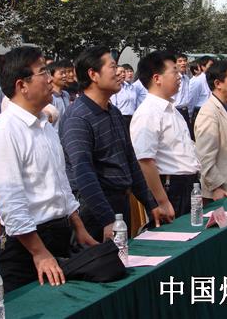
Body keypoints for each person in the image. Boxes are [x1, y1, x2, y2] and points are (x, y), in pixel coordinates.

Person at [0, 47, 97, 292]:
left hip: (59, 235)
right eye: (43, 72)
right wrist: (40, 253)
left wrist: (78, 225)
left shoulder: (44, 126)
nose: (50, 79)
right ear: (22, 85)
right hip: (26, 246)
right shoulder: (5, 131)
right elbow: (10, 202)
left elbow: (61, 183)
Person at [59, 46, 163, 242]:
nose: (119, 73)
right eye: (113, 67)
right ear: (93, 75)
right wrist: (107, 219)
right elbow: (83, 173)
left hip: (120, 206)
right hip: (95, 212)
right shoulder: (78, 118)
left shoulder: (113, 112)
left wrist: (151, 204)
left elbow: (130, 161)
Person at [130, 51, 201, 218]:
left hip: (189, 185)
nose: (179, 76)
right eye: (174, 71)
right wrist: (162, 201)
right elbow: (145, 161)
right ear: (157, 78)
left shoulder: (172, 110)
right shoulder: (147, 113)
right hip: (171, 188)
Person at [194, 60, 227, 201]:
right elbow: (204, 157)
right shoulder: (209, 113)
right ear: (218, 83)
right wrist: (217, 186)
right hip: (220, 192)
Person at [189, 56, 214, 125]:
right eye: (210, 65)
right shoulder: (198, 81)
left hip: (210, 111)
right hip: (200, 111)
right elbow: (192, 99)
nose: (213, 68)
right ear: (203, 67)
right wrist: (190, 115)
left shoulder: (210, 79)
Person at [48, 60, 71, 130]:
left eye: (65, 73)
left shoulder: (66, 94)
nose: (64, 76)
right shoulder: (49, 97)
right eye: (61, 73)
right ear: (51, 76)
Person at [172, 54, 192, 131]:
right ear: (175, 64)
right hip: (176, 111)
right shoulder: (173, 78)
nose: (183, 63)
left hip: (185, 111)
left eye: (185, 61)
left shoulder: (186, 78)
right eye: (180, 61)